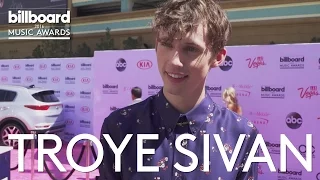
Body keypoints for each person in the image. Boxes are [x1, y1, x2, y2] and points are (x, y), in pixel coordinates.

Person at [99, 0, 259, 179]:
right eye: (167, 44)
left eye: (191, 48)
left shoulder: (242, 135)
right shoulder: (118, 127)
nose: (174, 61)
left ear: (217, 57)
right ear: (156, 45)